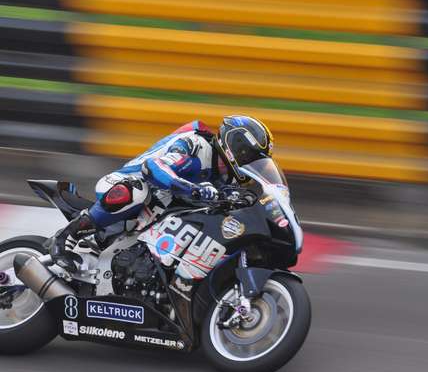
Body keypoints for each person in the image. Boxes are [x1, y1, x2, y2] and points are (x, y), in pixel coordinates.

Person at [49, 115, 274, 269]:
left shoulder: (224, 179)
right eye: (249, 156)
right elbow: (153, 168)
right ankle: (65, 237)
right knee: (136, 190)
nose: (248, 163)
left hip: (159, 212)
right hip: (126, 184)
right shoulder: (196, 144)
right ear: (235, 146)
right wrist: (192, 189)